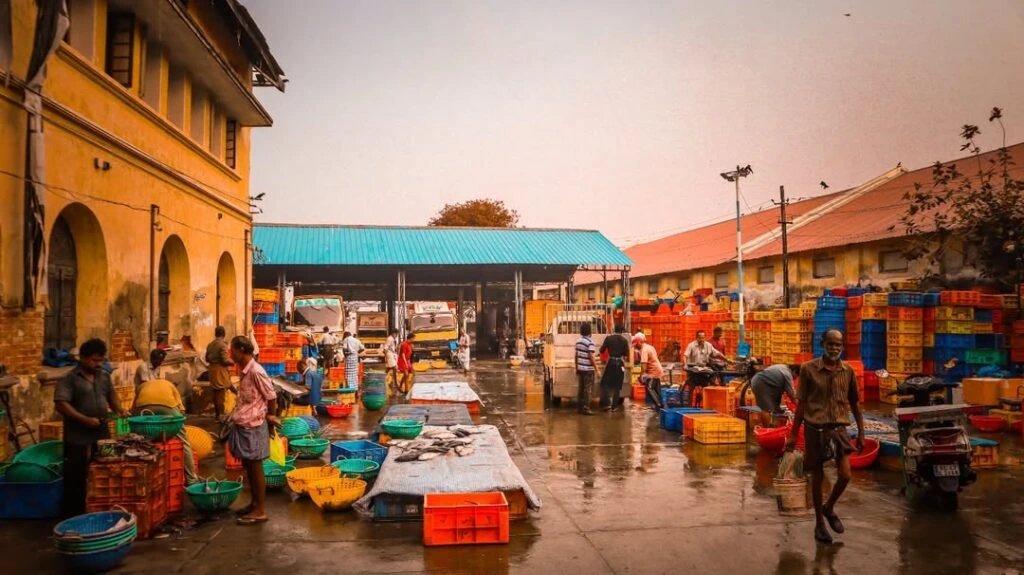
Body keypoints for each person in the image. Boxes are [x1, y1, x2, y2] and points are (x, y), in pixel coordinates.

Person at [786, 329, 865, 545]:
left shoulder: (847, 371)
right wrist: (793, 435)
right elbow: (801, 404)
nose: (834, 348)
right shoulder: (808, 369)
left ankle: (829, 507)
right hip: (815, 428)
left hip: (839, 428)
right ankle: (819, 524)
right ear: (823, 344)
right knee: (817, 476)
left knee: (846, 475)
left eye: (838, 345)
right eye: (830, 344)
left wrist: (862, 432)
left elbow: (855, 403)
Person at [55, 339, 129, 517]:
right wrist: (84, 420)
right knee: (76, 475)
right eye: (94, 360)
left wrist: (119, 409)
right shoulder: (70, 379)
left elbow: (111, 395)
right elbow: (61, 403)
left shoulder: (104, 376)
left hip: (101, 431)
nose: (98, 364)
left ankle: (98, 509)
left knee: (102, 471)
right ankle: (73, 515)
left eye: (101, 360)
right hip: (77, 434)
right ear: (82, 358)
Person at [227, 335, 279, 525]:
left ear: (241, 350)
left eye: (232, 350)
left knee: (256, 466)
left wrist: (271, 419)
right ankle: (254, 503)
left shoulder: (256, 371)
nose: (230, 354)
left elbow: (271, 396)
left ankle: (260, 510)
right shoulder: (244, 371)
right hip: (244, 423)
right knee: (248, 466)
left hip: (255, 425)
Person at [132, 378, 199, 485]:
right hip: (168, 407)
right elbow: (181, 410)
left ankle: (139, 478)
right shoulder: (170, 385)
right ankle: (191, 480)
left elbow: (133, 409)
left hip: (143, 407)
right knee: (184, 442)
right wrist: (176, 429)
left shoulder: (142, 386)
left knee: (138, 441)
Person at [205, 326, 233, 422]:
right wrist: (233, 362)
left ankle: (218, 415)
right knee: (220, 394)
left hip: (212, 370)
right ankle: (220, 415)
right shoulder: (223, 345)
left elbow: (206, 359)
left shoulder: (210, 344)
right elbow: (224, 360)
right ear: (224, 334)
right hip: (220, 370)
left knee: (216, 392)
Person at [599, 324, 630, 411]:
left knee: (604, 384)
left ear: (614, 329)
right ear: (622, 331)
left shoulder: (609, 338)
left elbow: (601, 350)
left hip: (611, 363)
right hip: (620, 364)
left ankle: (606, 404)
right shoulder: (624, 340)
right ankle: (614, 406)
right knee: (617, 386)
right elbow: (626, 355)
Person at [636, 333, 665, 409]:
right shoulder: (649, 346)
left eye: (635, 344)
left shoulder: (644, 350)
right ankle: (662, 405)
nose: (635, 346)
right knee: (656, 388)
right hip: (658, 369)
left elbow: (644, 365)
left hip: (653, 371)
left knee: (649, 388)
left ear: (639, 342)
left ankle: (658, 405)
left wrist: (641, 376)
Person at [575, 322, 599, 415]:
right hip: (588, 370)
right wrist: (597, 369)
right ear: (590, 331)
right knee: (588, 389)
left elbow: (576, 355)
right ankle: (586, 408)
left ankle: (580, 408)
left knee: (581, 388)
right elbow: (591, 357)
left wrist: (577, 367)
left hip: (580, 368)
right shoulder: (590, 342)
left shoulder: (578, 341)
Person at [384, 328, 400, 392]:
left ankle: (386, 380)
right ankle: (396, 383)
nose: (397, 335)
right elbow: (385, 348)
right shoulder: (389, 339)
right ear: (394, 333)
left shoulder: (393, 339)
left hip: (393, 354)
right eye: (396, 334)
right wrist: (386, 358)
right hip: (389, 355)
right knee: (394, 368)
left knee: (389, 369)